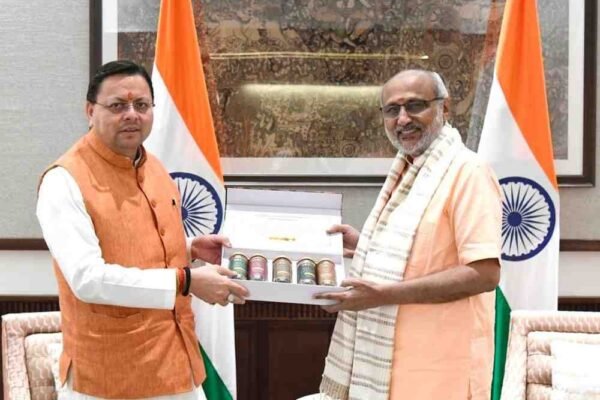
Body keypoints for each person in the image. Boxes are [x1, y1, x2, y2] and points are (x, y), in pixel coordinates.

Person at [36, 60, 249, 400]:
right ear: (90, 111)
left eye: (141, 105)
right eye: (117, 106)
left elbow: (133, 243)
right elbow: (88, 279)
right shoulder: (63, 181)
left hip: (178, 362)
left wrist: (190, 248)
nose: (132, 115)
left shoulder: (155, 168)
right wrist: (186, 281)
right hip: (110, 378)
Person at [316, 69, 502, 400]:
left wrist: (384, 294)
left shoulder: (468, 172)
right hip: (388, 372)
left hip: (442, 372)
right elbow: (424, 249)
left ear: (445, 108)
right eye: (392, 110)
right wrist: (364, 245)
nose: (403, 119)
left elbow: (484, 273)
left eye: (415, 105)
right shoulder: (408, 170)